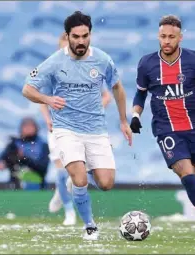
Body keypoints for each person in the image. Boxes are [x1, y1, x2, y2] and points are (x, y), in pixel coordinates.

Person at [22, 11, 132, 240]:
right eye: (76, 36)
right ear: (68, 36)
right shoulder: (54, 62)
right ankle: (90, 225)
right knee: (80, 179)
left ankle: (75, 175)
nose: (81, 41)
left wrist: (123, 120)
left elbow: (118, 89)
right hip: (66, 129)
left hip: (96, 130)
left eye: (85, 36)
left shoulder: (102, 59)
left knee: (106, 183)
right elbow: (27, 88)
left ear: (90, 34)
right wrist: (48, 99)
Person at [130, 15, 195, 240]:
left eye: (171, 37)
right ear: (158, 36)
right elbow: (140, 93)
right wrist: (136, 114)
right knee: (186, 173)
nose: (166, 41)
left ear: (180, 38)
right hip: (166, 129)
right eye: (163, 36)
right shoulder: (147, 64)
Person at [42, 33, 112, 226]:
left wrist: (92, 112)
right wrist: (47, 118)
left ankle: (62, 191)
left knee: (76, 171)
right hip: (59, 126)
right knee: (61, 169)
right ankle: (69, 212)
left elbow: (107, 96)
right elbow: (41, 97)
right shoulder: (52, 68)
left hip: (84, 127)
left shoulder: (88, 68)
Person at [0, 117, 49, 190]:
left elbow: (43, 168)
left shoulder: (43, 145)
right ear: (21, 128)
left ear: (36, 128)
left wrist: (23, 158)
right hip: (15, 184)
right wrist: (2, 162)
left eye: (30, 126)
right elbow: (3, 158)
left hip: (37, 184)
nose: (28, 128)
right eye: (25, 126)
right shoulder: (14, 144)